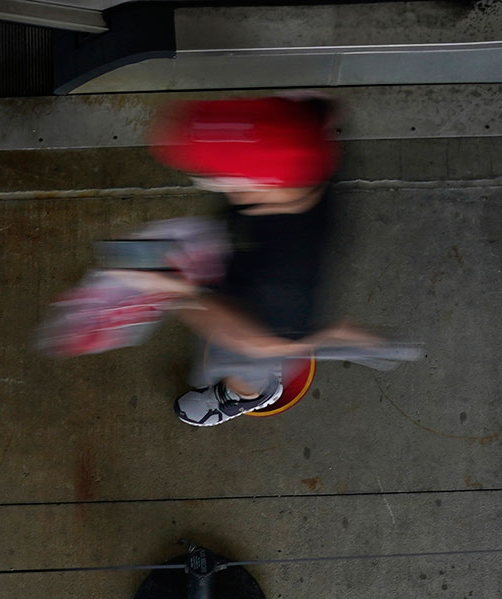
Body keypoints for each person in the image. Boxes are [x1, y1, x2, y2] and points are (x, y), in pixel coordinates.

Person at [147, 96, 383, 427]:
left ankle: (250, 394)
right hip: (253, 279)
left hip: (260, 333)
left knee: (242, 365)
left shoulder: (284, 284)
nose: (219, 186)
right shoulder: (302, 163)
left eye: (221, 179)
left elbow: (257, 342)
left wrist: (178, 294)